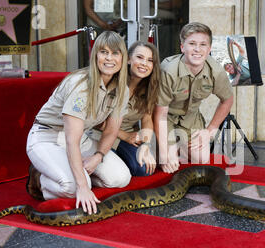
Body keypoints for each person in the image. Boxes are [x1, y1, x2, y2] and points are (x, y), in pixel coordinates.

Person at [26, 31, 131, 215]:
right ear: (95, 55)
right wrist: (83, 186)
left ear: (123, 58)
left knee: (120, 178)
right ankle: (39, 179)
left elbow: (111, 131)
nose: (109, 58)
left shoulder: (122, 89)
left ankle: (71, 175)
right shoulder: (81, 85)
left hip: (81, 138)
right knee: (74, 187)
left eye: (115, 53)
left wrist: (98, 156)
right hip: (47, 136)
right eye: (103, 52)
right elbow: (70, 141)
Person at [153, 22, 234, 174]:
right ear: (182, 47)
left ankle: (177, 146)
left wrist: (209, 131)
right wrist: (164, 154)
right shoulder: (168, 71)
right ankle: (166, 148)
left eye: (203, 44)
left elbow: (227, 100)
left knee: (201, 160)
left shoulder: (216, 71)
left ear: (209, 49)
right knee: (168, 164)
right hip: (167, 118)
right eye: (192, 43)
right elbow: (160, 115)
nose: (197, 49)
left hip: (191, 119)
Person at [106, 41, 160, 176]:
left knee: (144, 169)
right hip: (103, 135)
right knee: (114, 174)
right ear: (129, 59)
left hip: (129, 137)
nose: (144, 64)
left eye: (150, 60)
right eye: (140, 57)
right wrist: (125, 136)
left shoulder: (150, 87)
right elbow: (97, 121)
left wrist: (146, 146)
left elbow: (147, 118)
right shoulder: (112, 81)